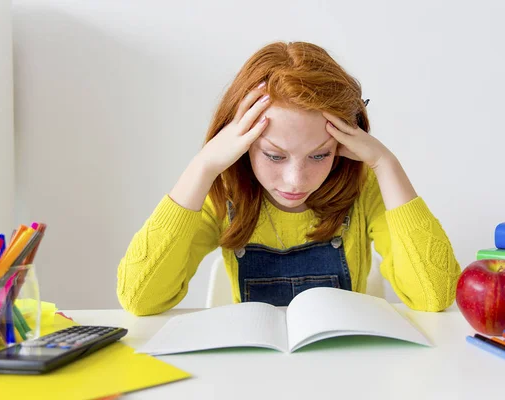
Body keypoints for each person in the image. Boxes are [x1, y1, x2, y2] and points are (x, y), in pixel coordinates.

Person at [117, 41, 461, 316]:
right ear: (241, 143)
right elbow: (138, 298)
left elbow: (435, 295)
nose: (296, 180)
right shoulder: (224, 193)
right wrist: (203, 167)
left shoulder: (363, 189)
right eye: (274, 156)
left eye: (319, 155)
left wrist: (387, 164)